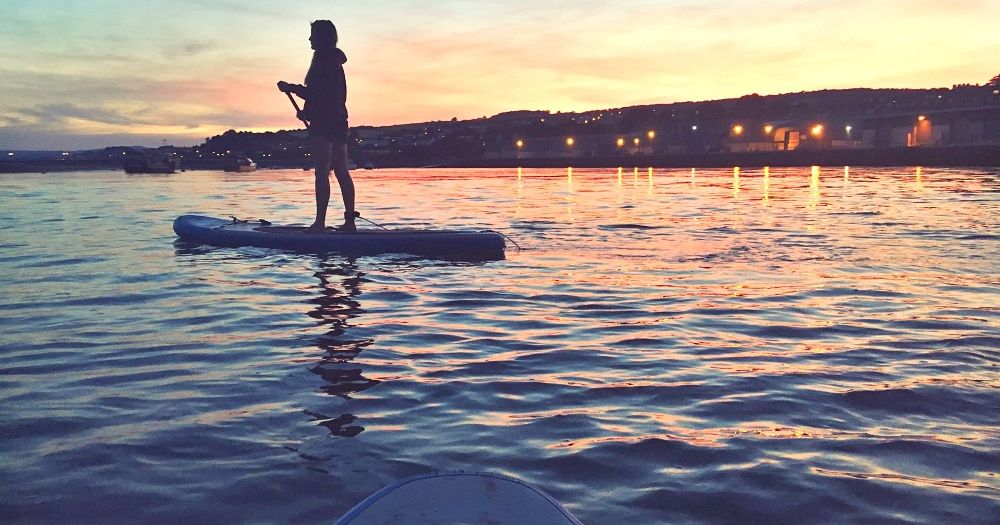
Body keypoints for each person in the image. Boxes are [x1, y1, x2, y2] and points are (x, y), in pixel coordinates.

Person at [278, 20, 357, 232]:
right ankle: (349, 222)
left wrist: (291, 88)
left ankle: (319, 223)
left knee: (321, 171)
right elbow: (327, 95)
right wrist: (307, 112)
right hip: (339, 120)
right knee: (341, 171)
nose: (310, 39)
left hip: (324, 123)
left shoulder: (323, 59)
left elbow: (316, 93)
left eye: (313, 35)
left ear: (322, 37)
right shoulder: (335, 60)